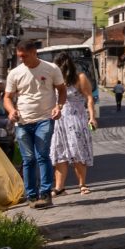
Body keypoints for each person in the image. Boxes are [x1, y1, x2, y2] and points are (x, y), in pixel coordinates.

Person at [3, 39, 66, 209]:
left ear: (34, 53)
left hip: (44, 119)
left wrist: (58, 107)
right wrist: (10, 111)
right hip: (23, 122)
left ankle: (45, 194)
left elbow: (62, 90)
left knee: (42, 156)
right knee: (28, 159)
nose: (22, 60)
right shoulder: (15, 73)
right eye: (19, 57)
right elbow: (7, 97)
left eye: (24, 56)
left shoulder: (51, 69)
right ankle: (31, 195)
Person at [50, 53, 96, 197]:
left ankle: (82, 184)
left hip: (76, 120)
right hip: (59, 121)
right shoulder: (54, 80)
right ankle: (59, 187)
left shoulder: (79, 78)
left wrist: (92, 117)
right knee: (59, 153)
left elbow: (89, 98)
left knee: (77, 153)